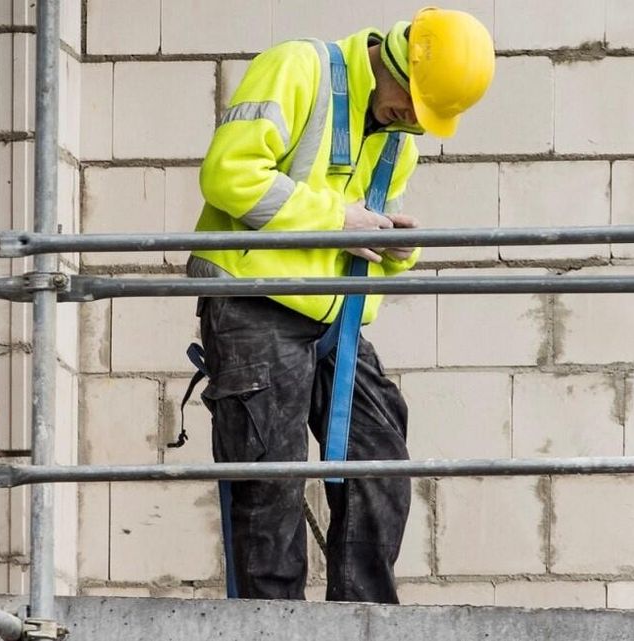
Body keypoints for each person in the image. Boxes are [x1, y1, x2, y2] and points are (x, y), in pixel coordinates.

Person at [185, 8, 495, 603]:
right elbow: (228, 174)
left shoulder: (398, 132)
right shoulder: (300, 68)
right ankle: (274, 626)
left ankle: (363, 620)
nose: (411, 119)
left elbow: (365, 231)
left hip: (338, 321)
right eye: (410, 101)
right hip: (256, 306)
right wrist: (336, 220)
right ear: (391, 60)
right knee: (272, 487)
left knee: (380, 469)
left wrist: (397, 247)